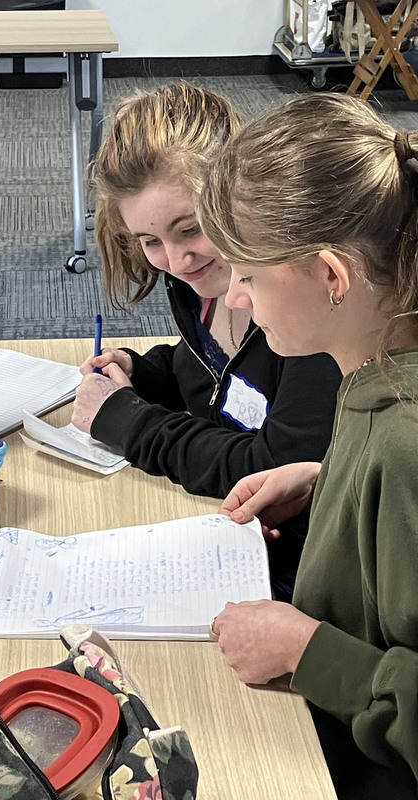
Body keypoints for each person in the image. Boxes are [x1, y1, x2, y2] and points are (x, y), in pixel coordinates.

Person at [201, 92, 418, 799]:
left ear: (331, 276)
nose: (235, 298)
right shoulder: (376, 366)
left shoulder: (403, 442)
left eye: (248, 276)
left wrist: (306, 651)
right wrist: (329, 482)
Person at [71, 82, 342, 597]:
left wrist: (127, 422)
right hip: (226, 536)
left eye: (191, 229)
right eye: (150, 241)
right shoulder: (198, 284)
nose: (176, 262)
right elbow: (212, 373)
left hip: (299, 573)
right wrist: (145, 372)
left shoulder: (306, 312)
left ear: (239, 195)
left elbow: (273, 470)